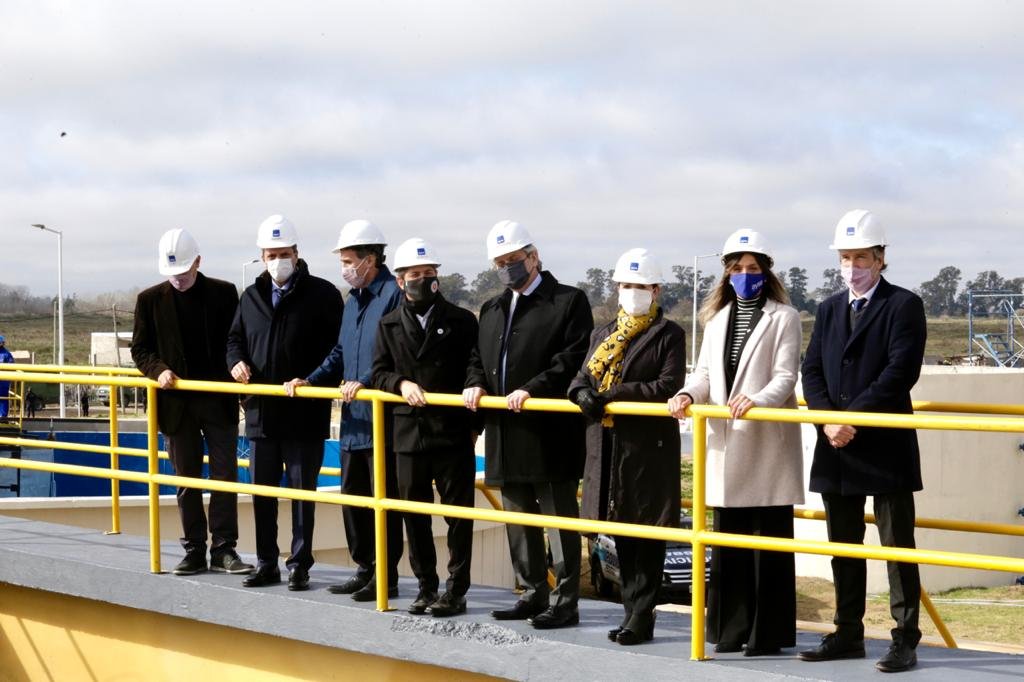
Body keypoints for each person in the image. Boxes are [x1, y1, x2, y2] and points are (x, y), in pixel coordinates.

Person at [799, 210, 927, 673]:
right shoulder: (829, 308)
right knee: (844, 546)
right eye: (845, 258)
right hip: (836, 446)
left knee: (896, 546)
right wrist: (827, 422)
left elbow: (900, 372)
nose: (852, 267)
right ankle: (847, 632)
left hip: (883, 443)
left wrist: (850, 419)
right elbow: (811, 369)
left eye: (861, 258)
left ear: (880, 258)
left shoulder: (904, 305)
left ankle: (904, 638)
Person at [668, 229, 804, 656]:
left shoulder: (784, 317)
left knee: (768, 543)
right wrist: (687, 394)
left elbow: (786, 376)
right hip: (726, 446)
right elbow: (705, 375)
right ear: (727, 273)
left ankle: (767, 635)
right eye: (738, 268)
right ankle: (729, 630)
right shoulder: (716, 319)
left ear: (766, 272)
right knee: (729, 543)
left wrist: (756, 399)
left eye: (753, 268)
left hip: (766, 446)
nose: (746, 275)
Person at [464, 220, 593, 629]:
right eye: (500, 263)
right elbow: (477, 358)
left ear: (533, 257)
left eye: (514, 259)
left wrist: (532, 389)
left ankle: (565, 600)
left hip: (549, 432)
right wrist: (475, 384)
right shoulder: (492, 308)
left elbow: (572, 358)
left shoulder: (568, 302)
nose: (507, 268)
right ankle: (533, 591)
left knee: (557, 520)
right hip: (505, 432)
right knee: (518, 518)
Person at [569, 248, 685, 645]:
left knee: (645, 534)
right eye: (626, 285)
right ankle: (630, 611)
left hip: (646, 450)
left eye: (640, 286)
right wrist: (582, 394)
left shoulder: (668, 334)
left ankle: (642, 614)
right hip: (608, 448)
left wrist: (613, 394)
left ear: (655, 290)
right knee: (620, 533)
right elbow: (581, 377)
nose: (632, 292)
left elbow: (667, 385)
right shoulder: (603, 334)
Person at [284, 219, 404, 602]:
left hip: (382, 420)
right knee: (353, 499)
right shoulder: (353, 300)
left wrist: (366, 382)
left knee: (382, 503)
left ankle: (386, 576)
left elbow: (396, 354)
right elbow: (340, 352)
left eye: (349, 261)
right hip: (353, 422)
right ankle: (365, 567)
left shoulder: (393, 296)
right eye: (343, 262)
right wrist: (310, 380)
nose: (345, 268)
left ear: (371, 259)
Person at [227, 215, 343, 591]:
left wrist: (311, 381)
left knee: (301, 495)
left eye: (284, 253)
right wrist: (235, 362)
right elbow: (234, 340)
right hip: (262, 413)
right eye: (271, 254)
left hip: (304, 414)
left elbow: (338, 350)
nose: (278, 260)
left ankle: (299, 565)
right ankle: (266, 563)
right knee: (262, 494)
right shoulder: (251, 297)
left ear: (296, 253)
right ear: (262, 257)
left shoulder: (323, 295)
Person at [131, 228, 253, 576]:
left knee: (224, 476)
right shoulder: (149, 300)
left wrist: (237, 368)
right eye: (172, 274)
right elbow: (140, 349)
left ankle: (224, 549)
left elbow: (236, 339)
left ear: (198, 262)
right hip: (176, 406)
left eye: (184, 272)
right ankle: (194, 549)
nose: (179, 279)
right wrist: (159, 370)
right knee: (186, 478)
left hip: (218, 401)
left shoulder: (224, 293)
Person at [370, 238, 480, 617]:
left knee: (459, 516)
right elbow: (378, 373)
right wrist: (401, 383)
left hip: (452, 432)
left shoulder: (462, 321)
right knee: (414, 516)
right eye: (415, 274)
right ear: (400, 280)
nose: (423, 279)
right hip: (408, 435)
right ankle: (426, 587)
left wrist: (474, 424)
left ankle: (456, 590)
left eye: (429, 273)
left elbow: (475, 367)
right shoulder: (388, 324)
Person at [0, 335, 13, 419]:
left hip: (3, 382)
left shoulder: (6, 354)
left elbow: (11, 367)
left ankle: (3, 417)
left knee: (3, 398)